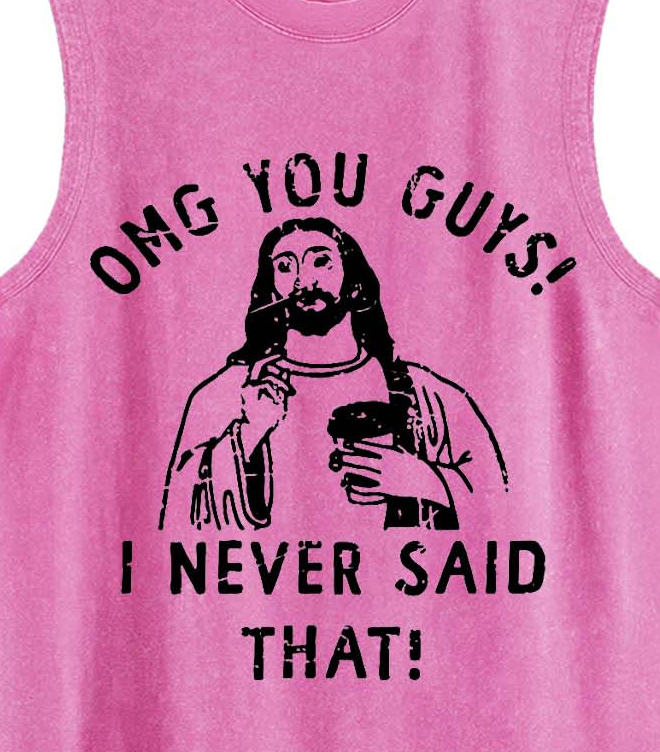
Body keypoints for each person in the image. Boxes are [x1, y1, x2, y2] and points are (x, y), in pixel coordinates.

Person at [158, 217, 507, 532]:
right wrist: (248, 435)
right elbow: (174, 521)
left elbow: (506, 504)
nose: (303, 280)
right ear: (270, 290)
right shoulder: (224, 394)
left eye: (321, 261)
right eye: (285, 266)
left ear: (354, 283)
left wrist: (424, 480)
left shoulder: (425, 395)